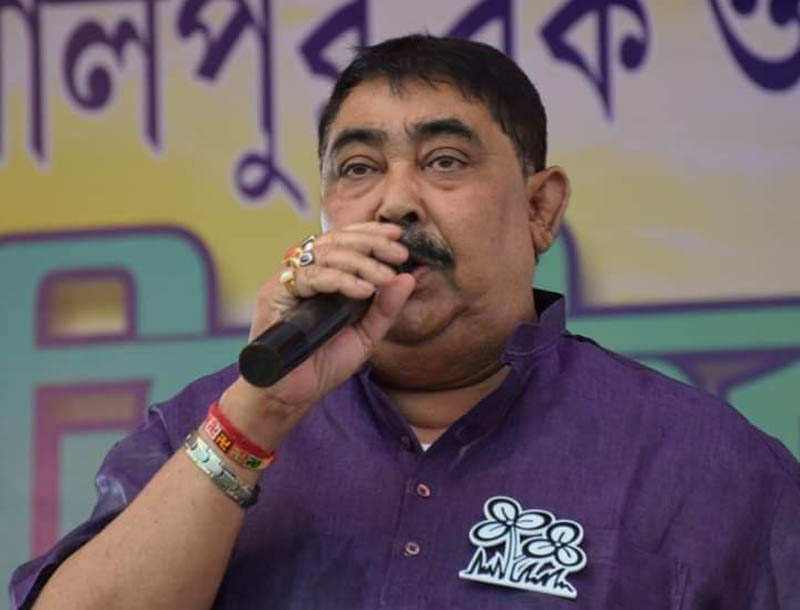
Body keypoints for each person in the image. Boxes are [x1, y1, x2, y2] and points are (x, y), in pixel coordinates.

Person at [10, 34, 800, 610]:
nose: (394, 202)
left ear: (540, 208)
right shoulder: (210, 425)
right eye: (358, 169)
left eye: (444, 161)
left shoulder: (703, 465)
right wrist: (257, 417)